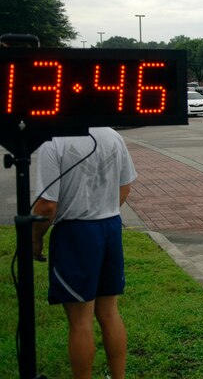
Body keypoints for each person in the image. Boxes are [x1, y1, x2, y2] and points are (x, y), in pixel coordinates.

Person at [32, 127, 137, 379]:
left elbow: (47, 206)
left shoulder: (54, 140)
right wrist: (103, 209)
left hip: (75, 232)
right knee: (110, 312)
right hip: (110, 227)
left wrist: (34, 239)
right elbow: (125, 187)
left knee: (80, 320)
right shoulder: (113, 136)